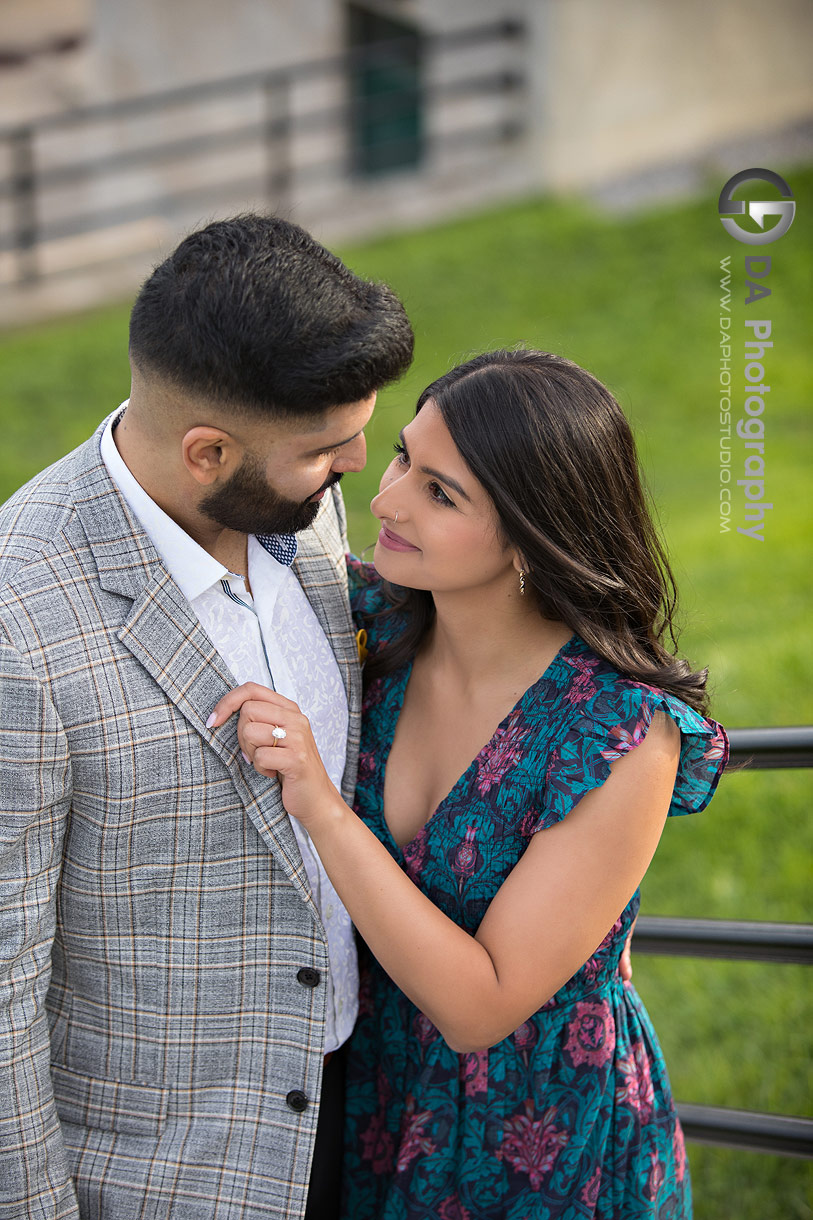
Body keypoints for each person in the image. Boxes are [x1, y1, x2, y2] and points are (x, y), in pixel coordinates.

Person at [211, 348, 729, 1219]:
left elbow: (480, 1006)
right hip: (376, 1092)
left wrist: (321, 806)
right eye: (403, 457)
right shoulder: (368, 628)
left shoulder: (617, 734)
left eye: (440, 494)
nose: (386, 500)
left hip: (541, 1131)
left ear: (532, 535)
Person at [0, 214, 413, 1219]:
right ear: (209, 451)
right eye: (327, 447)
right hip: (164, 1181)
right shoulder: (18, 622)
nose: (361, 463)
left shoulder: (299, 503)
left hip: (355, 1115)